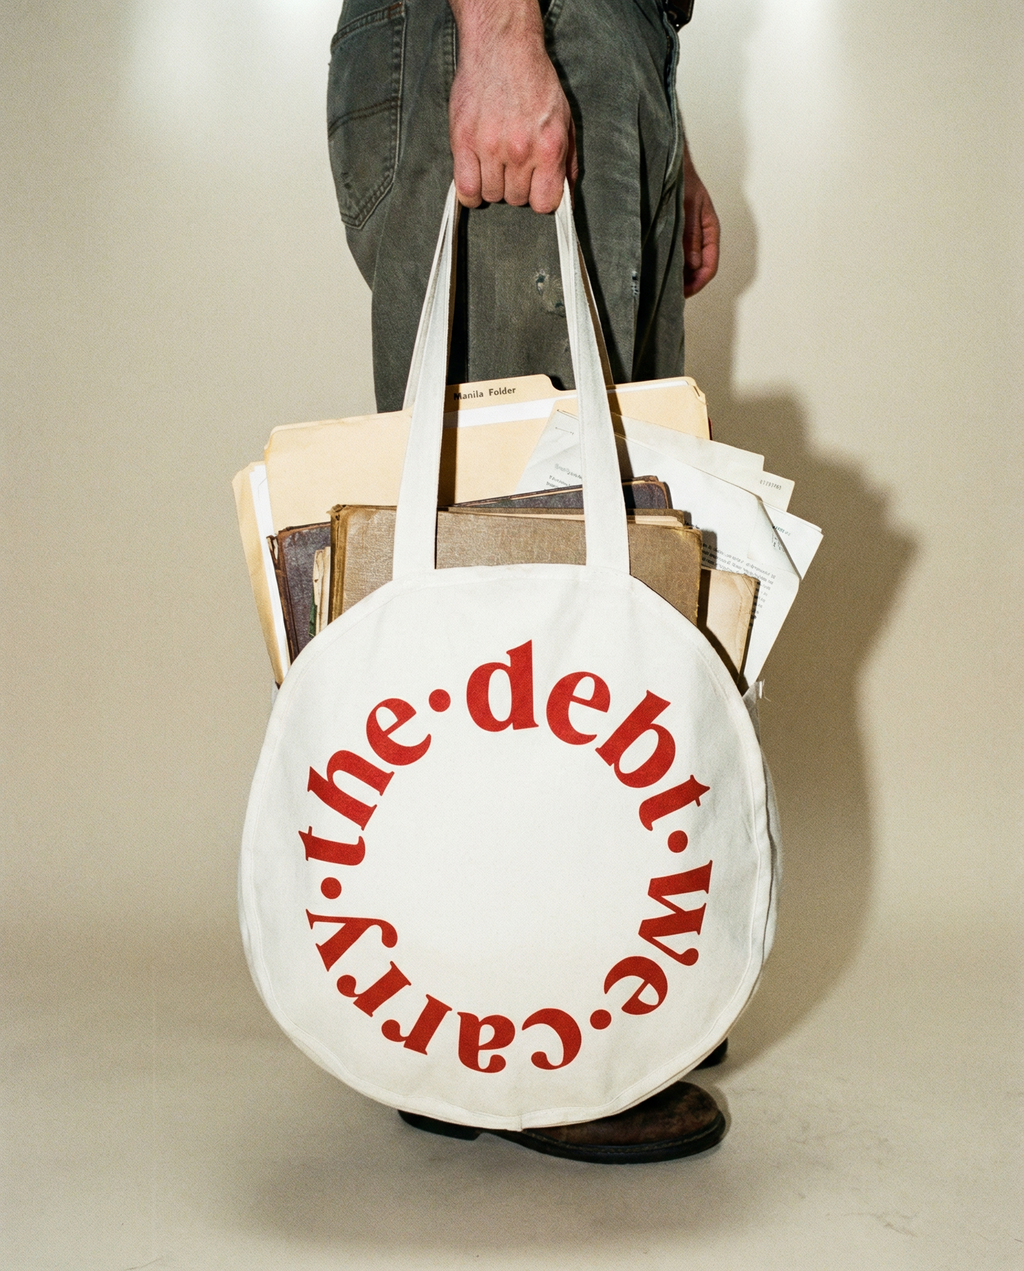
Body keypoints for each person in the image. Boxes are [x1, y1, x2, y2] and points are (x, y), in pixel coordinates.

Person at [327, 0, 726, 1163]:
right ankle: (512, 1027)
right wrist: (501, 32)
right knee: (515, 572)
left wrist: (656, 119)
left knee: (606, 553)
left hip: (605, 46)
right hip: (512, 20)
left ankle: (582, 980)